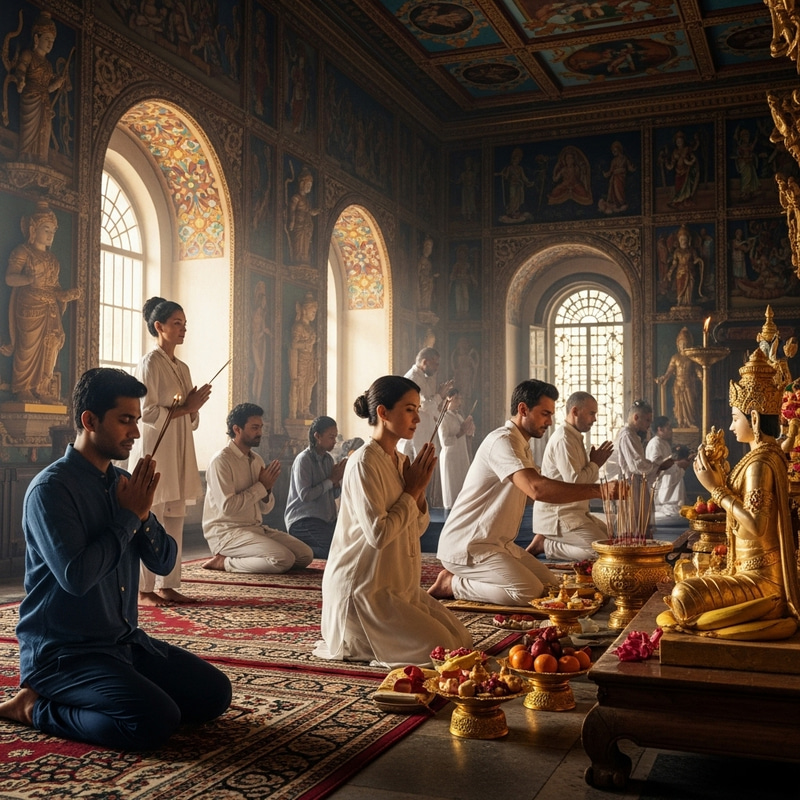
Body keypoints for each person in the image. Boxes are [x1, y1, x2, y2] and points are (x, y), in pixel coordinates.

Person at [0, 368, 231, 749]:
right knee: (154, 721)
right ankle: (35, 708)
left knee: (213, 695)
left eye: (137, 421)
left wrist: (142, 516)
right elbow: (77, 577)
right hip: (65, 655)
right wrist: (127, 518)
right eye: (125, 421)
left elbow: (163, 562)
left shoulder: (121, 484)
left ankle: (114, 692)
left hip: (123, 643)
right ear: (89, 420)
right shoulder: (50, 490)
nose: (136, 433)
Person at [314, 376, 472, 668]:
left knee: (461, 641)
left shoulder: (399, 460)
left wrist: (419, 490)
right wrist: (411, 491)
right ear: (383, 413)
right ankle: (358, 642)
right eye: (410, 409)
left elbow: (417, 528)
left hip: (397, 585)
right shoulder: (363, 462)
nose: (418, 417)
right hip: (363, 590)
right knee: (444, 652)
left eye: (419, 409)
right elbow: (379, 534)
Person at [429, 380, 616, 606]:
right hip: (470, 544)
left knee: (551, 588)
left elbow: (535, 491)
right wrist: (599, 490)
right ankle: (452, 584)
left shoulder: (521, 445)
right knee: (529, 593)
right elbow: (536, 489)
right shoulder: (502, 441)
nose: (549, 421)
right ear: (523, 409)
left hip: (499, 543)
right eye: (545, 413)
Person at [668, 348, 800, 626]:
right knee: (684, 572)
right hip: (745, 570)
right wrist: (720, 475)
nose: (730, 426)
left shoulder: (760, 463)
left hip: (761, 582)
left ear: (753, 418)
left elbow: (755, 525)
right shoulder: (764, 455)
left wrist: (716, 489)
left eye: (735, 418)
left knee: (683, 594)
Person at [131, 297, 210, 607]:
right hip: (156, 449)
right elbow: (146, 411)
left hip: (179, 449)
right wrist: (184, 408)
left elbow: (191, 420)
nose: (183, 329)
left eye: (184, 324)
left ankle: (169, 584)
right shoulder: (149, 363)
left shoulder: (183, 367)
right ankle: (144, 587)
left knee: (175, 516)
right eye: (177, 323)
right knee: (153, 516)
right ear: (158, 326)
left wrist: (193, 408)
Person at [202, 403, 314, 574]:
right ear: (237, 429)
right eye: (254, 427)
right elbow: (228, 508)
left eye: (261, 427)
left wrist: (267, 490)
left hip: (254, 529)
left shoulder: (257, 460)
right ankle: (224, 562)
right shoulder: (221, 461)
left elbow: (266, 508)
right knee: (283, 559)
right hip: (226, 532)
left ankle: (247, 558)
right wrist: (261, 486)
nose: (260, 432)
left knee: (305, 555)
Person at [2, 201, 81, 403]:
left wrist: (66, 295)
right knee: (28, 346)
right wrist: (28, 280)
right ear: (33, 229)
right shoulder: (22, 252)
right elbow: (10, 278)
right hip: (29, 305)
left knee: (52, 343)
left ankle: (42, 388)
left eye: (53, 231)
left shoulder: (53, 259)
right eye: (46, 229)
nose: (50, 234)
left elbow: (54, 288)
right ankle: (23, 387)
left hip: (50, 308)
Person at [529, 392, 613, 561]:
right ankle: (545, 545)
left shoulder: (574, 437)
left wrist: (594, 464)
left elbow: (581, 481)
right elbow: (575, 484)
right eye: (591, 413)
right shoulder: (564, 439)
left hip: (575, 512)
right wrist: (595, 464)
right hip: (560, 515)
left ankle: (547, 540)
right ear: (575, 411)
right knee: (602, 554)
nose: (594, 419)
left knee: (612, 543)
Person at [285, 415, 346, 559]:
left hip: (324, 520)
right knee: (331, 552)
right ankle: (293, 551)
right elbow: (305, 495)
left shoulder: (328, 459)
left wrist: (337, 481)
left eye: (335, 437)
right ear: (317, 436)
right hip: (303, 520)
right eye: (331, 437)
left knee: (344, 546)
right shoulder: (303, 460)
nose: (334, 441)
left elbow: (334, 494)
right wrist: (331, 480)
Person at [13, 12, 66, 163]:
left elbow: (47, 88)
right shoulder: (28, 54)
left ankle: (40, 159)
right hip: (31, 97)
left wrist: (55, 85)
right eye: (47, 39)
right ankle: (26, 156)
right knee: (30, 132)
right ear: (37, 38)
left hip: (44, 101)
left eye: (52, 41)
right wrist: (21, 80)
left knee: (44, 130)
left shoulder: (48, 65)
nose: (50, 44)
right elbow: (21, 69)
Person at [645, 416, 692, 522]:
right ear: (660, 429)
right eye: (668, 427)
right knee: (667, 513)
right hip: (662, 484)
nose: (671, 430)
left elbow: (668, 461)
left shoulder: (664, 442)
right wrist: (678, 464)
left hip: (669, 482)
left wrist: (681, 463)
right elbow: (656, 466)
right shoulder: (655, 443)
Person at [655, 327, 702, 429]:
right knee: (679, 406)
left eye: (685, 344)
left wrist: (702, 377)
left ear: (689, 344)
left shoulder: (692, 357)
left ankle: (690, 422)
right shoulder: (675, 357)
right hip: (678, 385)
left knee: (691, 405)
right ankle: (681, 423)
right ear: (678, 345)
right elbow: (669, 372)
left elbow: (697, 370)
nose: (683, 346)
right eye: (681, 344)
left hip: (689, 384)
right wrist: (663, 378)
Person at [437, 389, 474, 511]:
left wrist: (469, 426)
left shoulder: (458, 415)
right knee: (452, 488)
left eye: (460, 399)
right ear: (448, 399)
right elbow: (445, 441)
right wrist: (460, 432)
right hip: (451, 457)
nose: (459, 401)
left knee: (463, 484)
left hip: (461, 454)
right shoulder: (443, 417)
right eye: (456, 399)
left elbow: (468, 433)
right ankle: (450, 515)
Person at [287, 292, 318, 419]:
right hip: (300, 361)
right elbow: (294, 344)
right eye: (312, 311)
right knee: (300, 384)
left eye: (315, 312)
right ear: (305, 311)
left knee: (309, 383)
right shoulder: (298, 326)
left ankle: (306, 408)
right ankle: (299, 409)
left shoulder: (311, 328)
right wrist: (307, 344)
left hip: (310, 359)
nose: (313, 314)